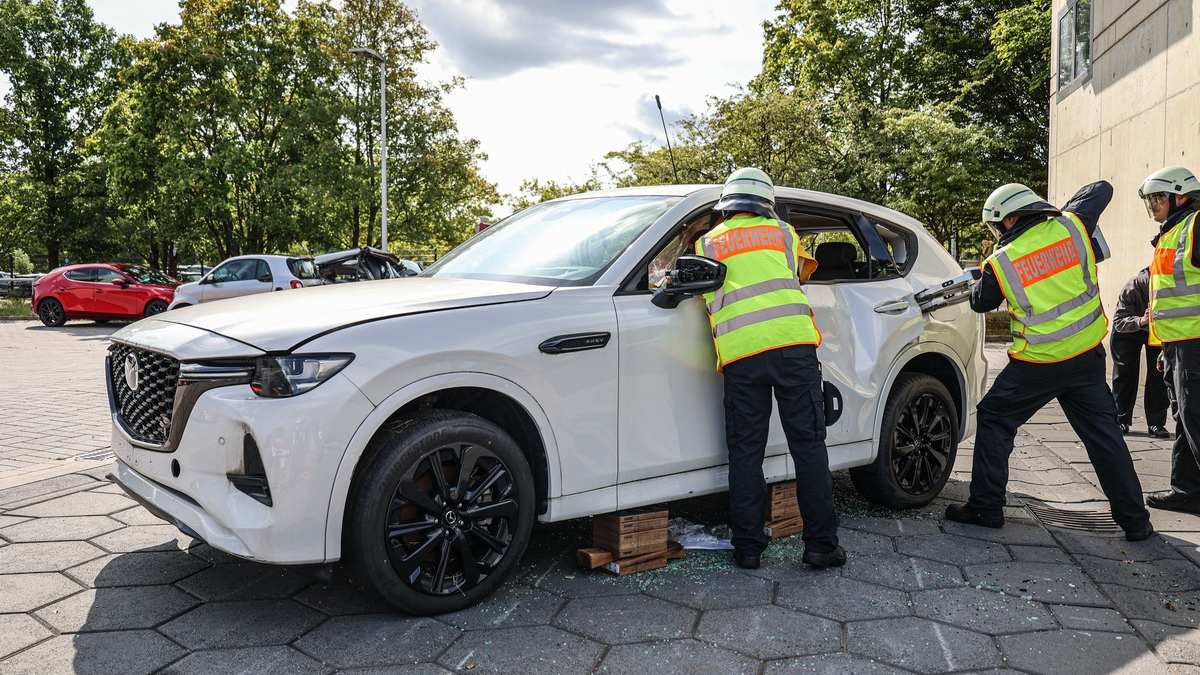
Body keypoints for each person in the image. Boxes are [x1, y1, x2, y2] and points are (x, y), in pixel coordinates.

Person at [945, 181, 1153, 542]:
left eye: (997, 226)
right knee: (1105, 440)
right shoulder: (1073, 225)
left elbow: (980, 303)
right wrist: (1063, 210)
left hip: (1038, 364)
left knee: (995, 418)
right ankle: (1136, 522)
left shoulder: (1001, 260)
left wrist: (979, 277)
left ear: (1010, 219)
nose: (997, 234)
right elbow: (1100, 189)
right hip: (1086, 358)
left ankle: (985, 507)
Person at [695, 167, 844, 569]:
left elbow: (695, 287)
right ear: (766, 202)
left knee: (746, 451)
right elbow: (798, 274)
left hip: (741, 355)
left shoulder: (707, 242)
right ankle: (820, 547)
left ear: (727, 204)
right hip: (793, 348)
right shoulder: (783, 233)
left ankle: (747, 548)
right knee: (808, 447)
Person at [1142, 166, 1200, 513]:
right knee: (1186, 419)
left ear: (1181, 196)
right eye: (1149, 199)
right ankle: (1187, 491)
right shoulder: (1172, 232)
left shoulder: (1195, 225)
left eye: (1158, 197)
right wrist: (1166, 347)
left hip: (1195, 344)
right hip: (1178, 344)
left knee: (1196, 420)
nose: (1152, 205)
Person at [1110, 267, 1170, 438]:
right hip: (1128, 330)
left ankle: (1156, 423)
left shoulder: (1169, 287)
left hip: (1156, 330)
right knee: (1124, 373)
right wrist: (1141, 320)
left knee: (1159, 374)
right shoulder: (1132, 288)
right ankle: (1121, 419)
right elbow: (1119, 322)